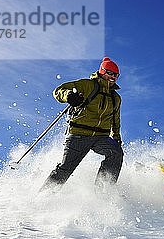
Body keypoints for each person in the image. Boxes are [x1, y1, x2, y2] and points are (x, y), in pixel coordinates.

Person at [41, 57, 123, 191]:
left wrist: (116, 137)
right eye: (110, 73)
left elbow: (115, 119)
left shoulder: (116, 98)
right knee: (66, 167)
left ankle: (103, 191)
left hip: (101, 137)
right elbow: (59, 90)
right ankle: (44, 195)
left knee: (116, 153)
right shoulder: (87, 85)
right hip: (79, 134)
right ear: (102, 71)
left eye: (116, 75)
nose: (113, 77)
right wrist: (68, 96)